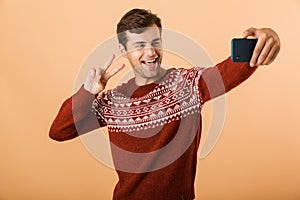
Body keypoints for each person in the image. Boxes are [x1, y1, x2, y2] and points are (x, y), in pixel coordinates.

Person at [49, 8, 280, 200]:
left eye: (155, 42)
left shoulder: (188, 84)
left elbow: (232, 69)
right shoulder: (112, 102)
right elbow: (59, 131)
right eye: (139, 45)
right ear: (123, 50)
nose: (150, 52)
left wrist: (268, 36)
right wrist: (87, 93)